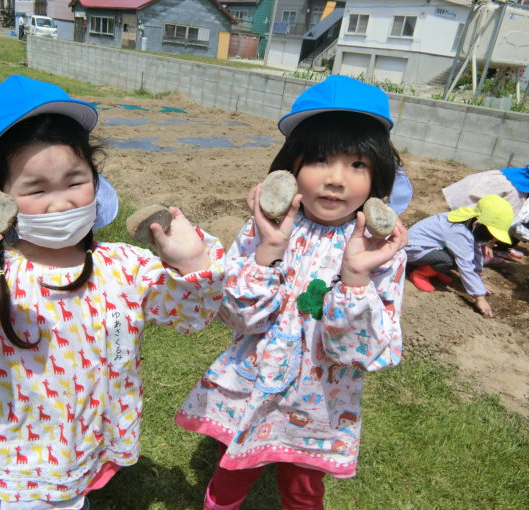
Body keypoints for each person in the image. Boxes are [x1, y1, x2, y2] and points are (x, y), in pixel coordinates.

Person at [0, 74, 225, 510]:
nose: (61, 204)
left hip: (86, 441)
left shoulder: (123, 266)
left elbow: (189, 315)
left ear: (96, 182)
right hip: (17, 459)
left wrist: (193, 264)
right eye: (36, 189)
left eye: (75, 181)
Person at [175, 75, 408, 510]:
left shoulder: (381, 248)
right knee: (232, 472)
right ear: (291, 166)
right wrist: (270, 247)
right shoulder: (269, 227)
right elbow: (238, 315)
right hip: (255, 384)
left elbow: (364, 351)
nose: (336, 179)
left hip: (321, 399)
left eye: (357, 164)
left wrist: (356, 275)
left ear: (378, 174)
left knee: (304, 488)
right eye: (320, 159)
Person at [404, 194, 514, 317]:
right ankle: (419, 274)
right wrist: (480, 299)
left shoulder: (469, 221)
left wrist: (479, 278)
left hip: (430, 247)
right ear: (479, 223)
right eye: (491, 233)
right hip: (413, 251)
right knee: (453, 261)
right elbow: (466, 265)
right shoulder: (459, 232)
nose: (491, 238)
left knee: (459, 255)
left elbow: (475, 249)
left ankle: (434, 269)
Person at [442, 166, 529, 259]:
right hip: (476, 209)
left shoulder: (516, 176)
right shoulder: (516, 194)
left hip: (472, 193)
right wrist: (490, 243)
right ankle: (463, 249)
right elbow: (502, 221)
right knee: (476, 227)